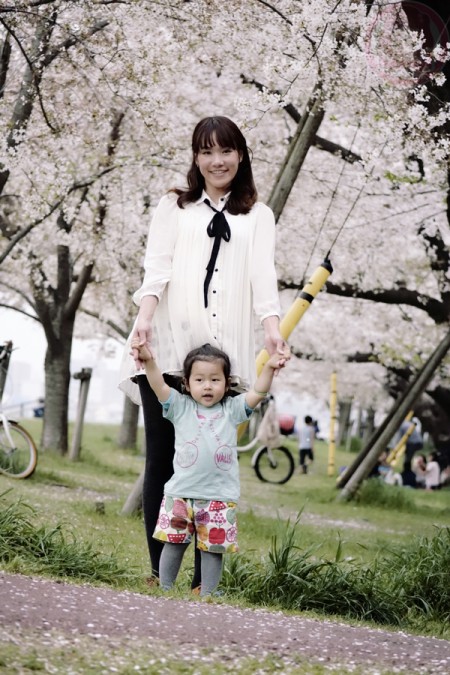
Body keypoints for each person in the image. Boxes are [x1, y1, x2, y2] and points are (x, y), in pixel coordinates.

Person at [119, 116, 289, 585]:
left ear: (241, 155)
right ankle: (159, 572)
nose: (217, 161)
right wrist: (146, 320)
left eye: (226, 151)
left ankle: (201, 582)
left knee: (212, 461)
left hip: (221, 358)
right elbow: (157, 269)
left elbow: (263, 282)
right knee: (162, 458)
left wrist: (272, 332)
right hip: (170, 346)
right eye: (207, 151)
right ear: (196, 156)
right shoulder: (175, 207)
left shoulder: (258, 215)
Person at [130, 341, 290, 597]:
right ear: (187, 384)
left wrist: (270, 368)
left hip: (218, 496)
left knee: (213, 549)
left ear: (227, 385)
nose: (207, 386)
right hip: (180, 494)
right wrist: (149, 360)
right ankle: (165, 589)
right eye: (200, 379)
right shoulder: (179, 407)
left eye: (215, 379)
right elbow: (158, 385)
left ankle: (209, 594)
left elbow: (258, 392)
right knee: (173, 544)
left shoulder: (232, 410)